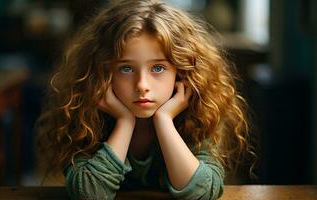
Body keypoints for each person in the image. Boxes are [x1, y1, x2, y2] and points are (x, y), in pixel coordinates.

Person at [36, 0, 254, 199]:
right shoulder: (87, 120)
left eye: (158, 68)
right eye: (126, 68)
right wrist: (124, 121)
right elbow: (89, 194)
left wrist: (164, 120)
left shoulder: (195, 119)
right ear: (102, 73)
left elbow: (203, 193)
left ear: (181, 74)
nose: (142, 85)